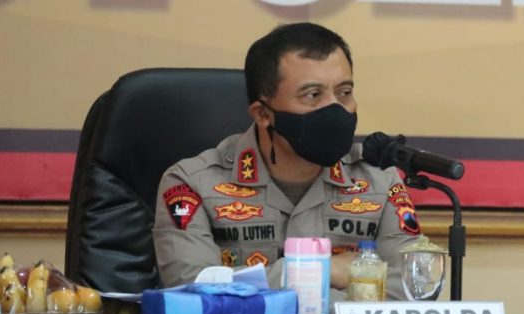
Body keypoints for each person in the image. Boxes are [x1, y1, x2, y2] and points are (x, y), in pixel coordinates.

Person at [153, 22, 423, 299]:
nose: (335, 109)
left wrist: (271, 291)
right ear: (263, 114)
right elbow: (191, 292)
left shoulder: (380, 180)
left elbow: (412, 288)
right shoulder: (191, 183)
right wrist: (321, 272)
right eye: (313, 95)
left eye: (344, 92)